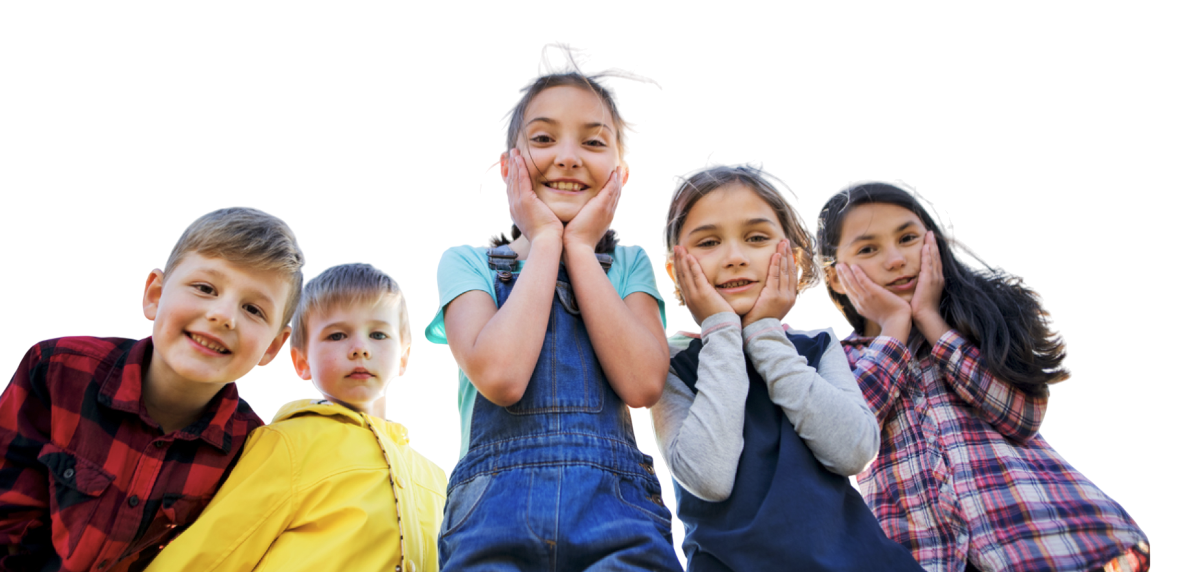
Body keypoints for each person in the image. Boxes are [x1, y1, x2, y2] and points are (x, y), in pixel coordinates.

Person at [425, 42, 682, 570]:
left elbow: (643, 384)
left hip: (615, 511)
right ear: (507, 166)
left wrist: (581, 248)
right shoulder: (466, 264)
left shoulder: (629, 265)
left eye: (592, 142)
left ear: (620, 172)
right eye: (543, 138)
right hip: (492, 515)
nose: (567, 156)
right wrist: (545, 239)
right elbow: (501, 375)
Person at [819, 179, 1151, 572]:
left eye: (907, 238)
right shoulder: (833, 360)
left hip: (1049, 541)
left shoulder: (977, 323)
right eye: (869, 248)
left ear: (933, 244)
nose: (895, 259)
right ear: (837, 277)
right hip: (924, 558)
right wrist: (893, 327)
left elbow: (1021, 416)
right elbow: (845, 439)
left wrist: (929, 321)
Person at [0, 206, 304, 572]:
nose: (224, 315)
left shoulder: (252, 452)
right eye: (205, 288)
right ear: (155, 294)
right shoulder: (57, 369)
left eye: (253, 309)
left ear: (274, 347)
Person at [651, 162, 924, 570]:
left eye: (756, 238)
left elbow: (853, 451)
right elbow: (708, 475)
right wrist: (721, 330)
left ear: (793, 258)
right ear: (675, 270)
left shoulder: (816, 346)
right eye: (708, 243)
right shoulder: (670, 363)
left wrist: (763, 335)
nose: (735, 257)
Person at [145, 262, 447, 571]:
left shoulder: (437, 479)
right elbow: (211, 552)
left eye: (379, 334)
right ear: (301, 361)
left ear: (403, 357)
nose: (360, 349)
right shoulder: (287, 444)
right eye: (337, 335)